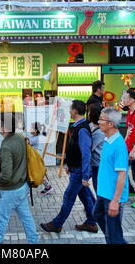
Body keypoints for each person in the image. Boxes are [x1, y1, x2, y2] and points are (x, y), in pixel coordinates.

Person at [40, 100, 97, 234]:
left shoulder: (82, 129)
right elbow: (75, 150)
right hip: (75, 169)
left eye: (71, 109)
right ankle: (92, 222)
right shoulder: (79, 126)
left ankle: (57, 224)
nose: (69, 111)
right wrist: (69, 165)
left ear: (75, 111)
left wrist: (84, 175)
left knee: (68, 197)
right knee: (85, 196)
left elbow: (86, 154)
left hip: (79, 172)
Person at [0, 112, 38, 244]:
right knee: (26, 217)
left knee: (2, 219)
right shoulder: (20, 138)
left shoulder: (6, 146)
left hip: (10, 190)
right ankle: (33, 241)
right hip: (22, 187)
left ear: (3, 128)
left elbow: (5, 175)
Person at [93, 107, 129, 244]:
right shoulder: (108, 140)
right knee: (97, 214)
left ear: (111, 124)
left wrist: (116, 200)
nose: (98, 121)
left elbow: (122, 175)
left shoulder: (119, 145)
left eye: (101, 118)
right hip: (103, 192)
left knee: (113, 234)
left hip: (112, 196)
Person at [27, 122, 53, 195]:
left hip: (34, 159)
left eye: (31, 128)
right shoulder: (32, 136)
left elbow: (26, 142)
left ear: (35, 130)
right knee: (31, 174)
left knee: (36, 174)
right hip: (31, 158)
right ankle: (47, 186)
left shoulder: (34, 139)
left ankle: (48, 187)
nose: (30, 129)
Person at [88, 103, 105, 193]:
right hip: (93, 162)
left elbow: (89, 147)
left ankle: (99, 206)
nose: (88, 113)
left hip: (98, 163)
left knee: (98, 187)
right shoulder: (91, 125)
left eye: (89, 112)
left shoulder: (100, 132)